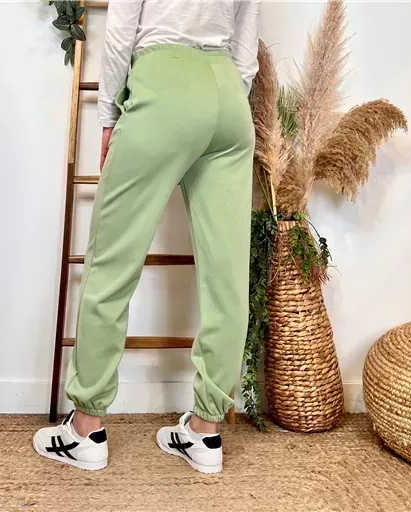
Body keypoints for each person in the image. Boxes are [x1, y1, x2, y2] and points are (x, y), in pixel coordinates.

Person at [33, 0, 261, 474]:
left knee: (111, 263)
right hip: (228, 97)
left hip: (163, 87)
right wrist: (224, 96)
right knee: (227, 277)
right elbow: (246, 43)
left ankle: (85, 430)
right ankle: (205, 430)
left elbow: (121, 30)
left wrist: (109, 116)